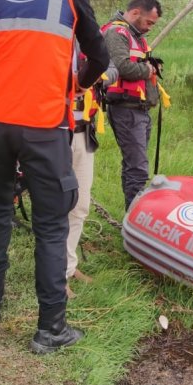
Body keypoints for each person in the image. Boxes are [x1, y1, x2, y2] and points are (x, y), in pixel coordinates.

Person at [0, 0, 109, 354]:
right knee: (51, 225)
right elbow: (98, 54)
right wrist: (79, 84)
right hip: (42, 121)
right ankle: (50, 329)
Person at [103, 0, 162, 209]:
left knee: (135, 167)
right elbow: (122, 67)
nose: (150, 28)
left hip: (139, 109)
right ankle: (136, 219)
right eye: (149, 22)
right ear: (136, 13)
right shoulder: (116, 32)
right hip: (125, 109)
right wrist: (147, 70)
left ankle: (133, 216)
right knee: (137, 169)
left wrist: (151, 67)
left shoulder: (134, 34)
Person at [65, 60, 115, 296]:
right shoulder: (54, 38)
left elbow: (114, 68)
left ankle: (68, 265)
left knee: (81, 205)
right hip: (55, 131)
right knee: (56, 207)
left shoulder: (90, 38)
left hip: (84, 132)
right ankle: (56, 276)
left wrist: (97, 74)